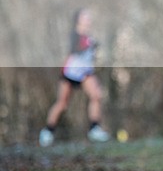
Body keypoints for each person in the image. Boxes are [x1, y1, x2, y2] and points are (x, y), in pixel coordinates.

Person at [39, 8, 111, 146]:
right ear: (78, 20)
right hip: (70, 73)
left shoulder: (90, 37)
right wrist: (87, 44)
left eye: (89, 17)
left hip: (85, 73)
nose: (89, 20)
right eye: (86, 17)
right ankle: (48, 131)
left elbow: (91, 55)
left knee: (96, 95)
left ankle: (94, 128)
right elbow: (74, 49)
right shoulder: (74, 35)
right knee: (62, 104)